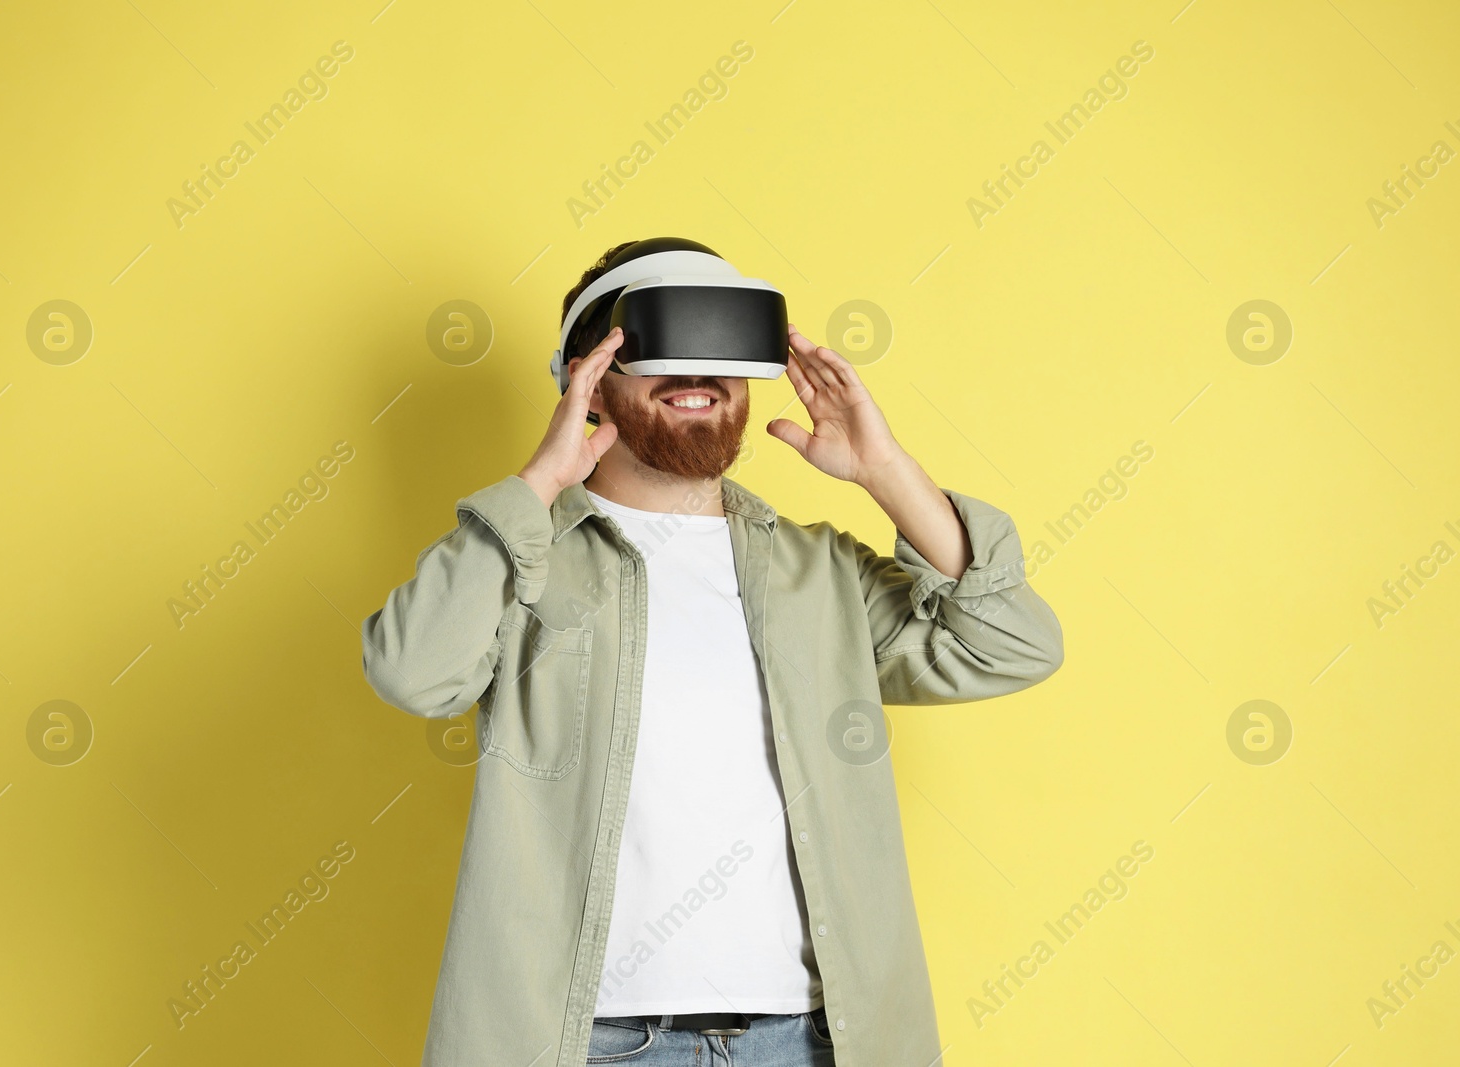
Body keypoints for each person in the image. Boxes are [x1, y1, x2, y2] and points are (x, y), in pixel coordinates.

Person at [360, 241, 1065, 1066]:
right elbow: (413, 672)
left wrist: (884, 470)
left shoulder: (820, 577)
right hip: (588, 1043)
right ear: (589, 375)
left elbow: (1012, 641)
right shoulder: (525, 559)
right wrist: (538, 484)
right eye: (664, 342)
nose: (698, 372)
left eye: (723, 346)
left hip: (809, 1041)